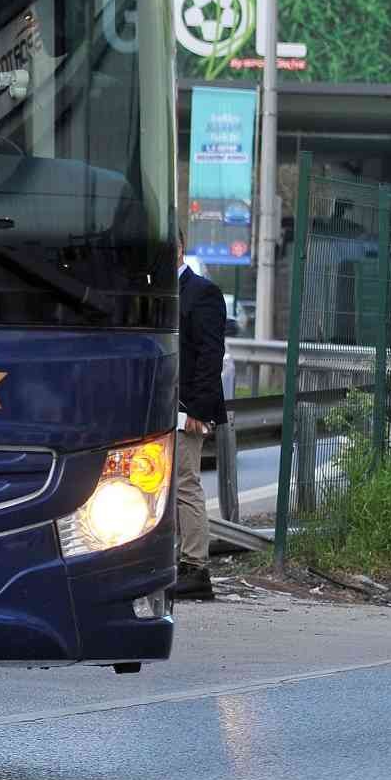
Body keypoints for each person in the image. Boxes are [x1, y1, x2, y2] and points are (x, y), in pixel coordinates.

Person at [175, 229, 228, 601]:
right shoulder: (148, 293)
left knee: (184, 483)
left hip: (184, 411)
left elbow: (211, 354)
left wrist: (198, 408)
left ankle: (195, 568)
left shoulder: (201, 292)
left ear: (179, 248)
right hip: (150, 407)